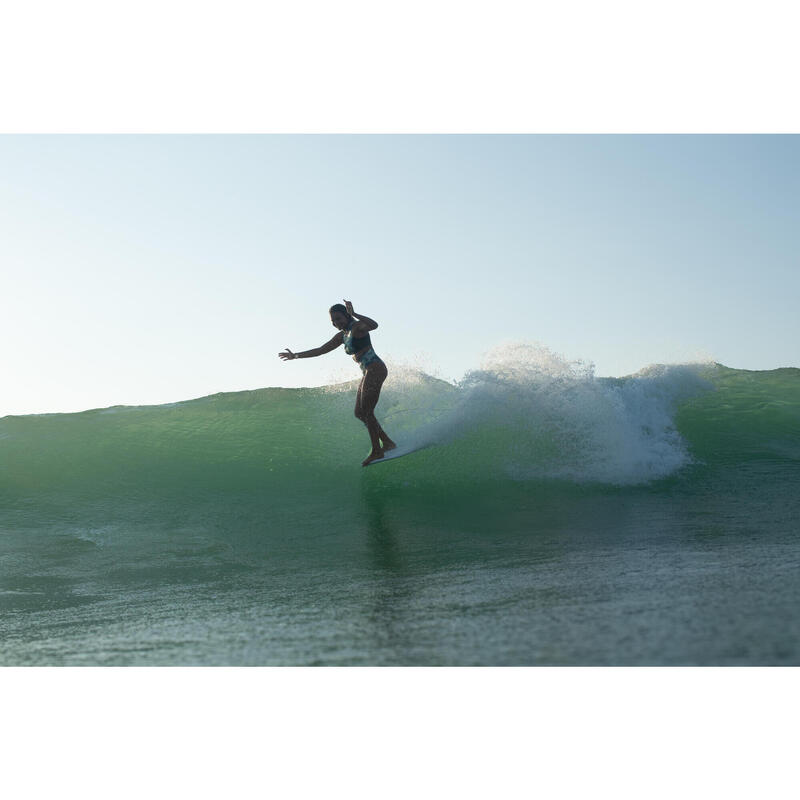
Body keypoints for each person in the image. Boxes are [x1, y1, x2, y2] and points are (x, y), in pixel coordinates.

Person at [279, 300, 396, 466]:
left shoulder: (357, 327)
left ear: (346, 315)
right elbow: (321, 350)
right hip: (367, 371)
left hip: (375, 368)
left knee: (367, 411)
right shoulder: (343, 335)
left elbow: (374, 325)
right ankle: (388, 442)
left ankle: (377, 450)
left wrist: (354, 313)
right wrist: (295, 355)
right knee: (360, 413)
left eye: (338, 319)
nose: (336, 323)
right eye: (333, 321)